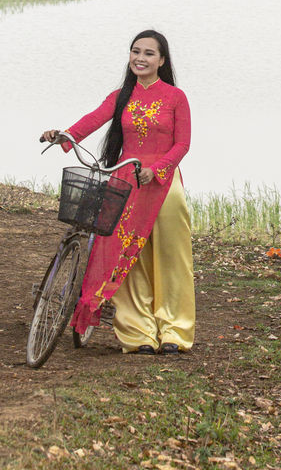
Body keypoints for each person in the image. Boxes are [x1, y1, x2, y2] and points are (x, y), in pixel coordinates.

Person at [40, 29, 194, 355]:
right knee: (127, 256)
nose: (140, 58)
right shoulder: (121, 95)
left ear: (162, 60)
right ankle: (138, 333)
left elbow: (182, 143)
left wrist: (158, 170)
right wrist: (64, 135)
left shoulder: (175, 97)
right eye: (135, 51)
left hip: (163, 181)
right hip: (126, 179)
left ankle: (174, 331)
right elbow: (93, 120)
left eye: (149, 53)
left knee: (171, 257)